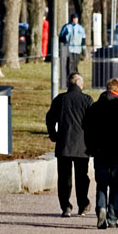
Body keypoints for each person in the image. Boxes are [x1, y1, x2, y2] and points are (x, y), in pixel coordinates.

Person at [83, 78, 118, 229]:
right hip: (116, 151)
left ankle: (101, 208)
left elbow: (87, 129)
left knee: (101, 183)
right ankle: (112, 217)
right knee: (115, 185)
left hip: (99, 151)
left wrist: (91, 147)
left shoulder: (94, 107)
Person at [45, 72, 93, 217]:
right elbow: (92, 122)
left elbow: (50, 118)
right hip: (82, 145)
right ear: (81, 85)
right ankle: (83, 204)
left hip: (63, 143)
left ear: (68, 84)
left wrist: (53, 135)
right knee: (82, 177)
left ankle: (66, 206)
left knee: (64, 177)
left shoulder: (60, 99)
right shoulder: (87, 100)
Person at [59, 13, 86, 79]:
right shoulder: (67, 27)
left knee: (76, 63)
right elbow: (61, 37)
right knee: (70, 63)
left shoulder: (80, 28)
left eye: (76, 18)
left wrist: (83, 48)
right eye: (74, 18)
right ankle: (70, 77)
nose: (75, 20)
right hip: (69, 48)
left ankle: (75, 76)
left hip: (77, 49)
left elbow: (83, 38)